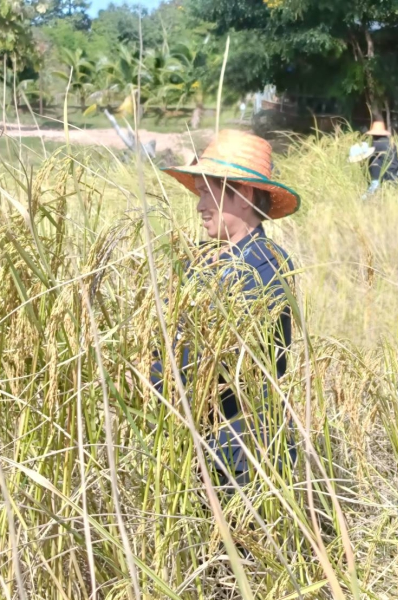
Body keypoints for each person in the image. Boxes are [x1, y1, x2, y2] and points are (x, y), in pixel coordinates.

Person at [158, 128, 300, 485]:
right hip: (197, 441)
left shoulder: (268, 264)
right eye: (200, 193)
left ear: (244, 196)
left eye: (209, 193)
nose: (200, 206)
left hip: (241, 451)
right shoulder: (204, 259)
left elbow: (219, 355)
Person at [364, 120, 398, 196]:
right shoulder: (390, 143)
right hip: (395, 175)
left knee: (372, 160)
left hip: (385, 177)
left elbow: (366, 156)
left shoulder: (376, 144)